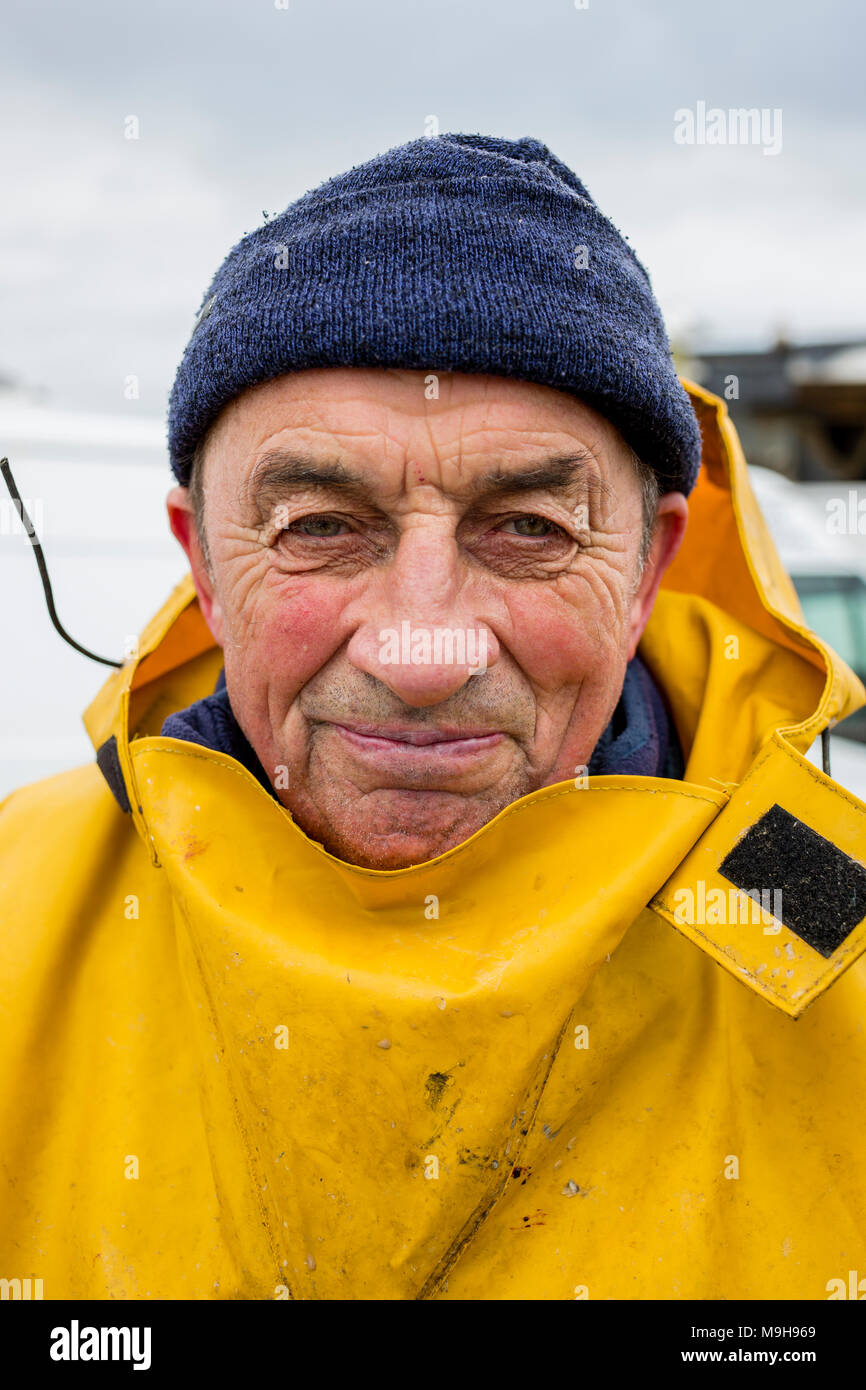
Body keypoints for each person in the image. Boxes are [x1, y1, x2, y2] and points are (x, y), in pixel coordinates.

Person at [1, 133, 865, 1301]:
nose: (420, 652)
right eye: (318, 526)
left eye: (527, 531)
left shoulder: (825, 933)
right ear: (203, 562)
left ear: (643, 572)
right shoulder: (20, 905)